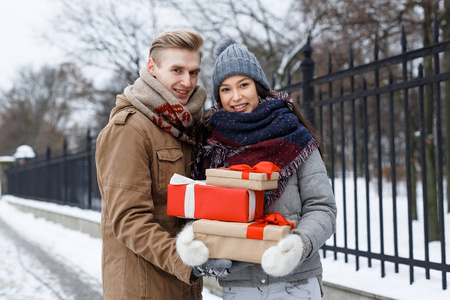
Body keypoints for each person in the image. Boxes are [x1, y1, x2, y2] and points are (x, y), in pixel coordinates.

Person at [176, 37, 337, 299]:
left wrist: (299, 245)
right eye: (226, 89)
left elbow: (323, 208)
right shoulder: (210, 145)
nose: (236, 97)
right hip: (239, 287)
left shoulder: (294, 136)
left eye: (243, 85)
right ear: (218, 95)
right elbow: (200, 211)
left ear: (258, 86)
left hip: (295, 283)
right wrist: (197, 246)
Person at [95, 28, 210, 299]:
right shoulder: (129, 129)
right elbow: (128, 220)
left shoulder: (186, 127)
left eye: (193, 72)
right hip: (142, 288)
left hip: (184, 287)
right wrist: (188, 261)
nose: (187, 81)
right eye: (177, 70)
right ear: (152, 67)